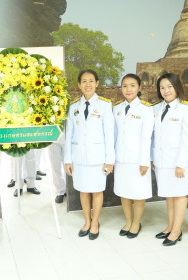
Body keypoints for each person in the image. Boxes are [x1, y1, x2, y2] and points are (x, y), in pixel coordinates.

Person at [64, 69, 114, 240]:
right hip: (78, 159)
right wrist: (67, 160)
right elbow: (69, 135)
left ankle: (95, 223)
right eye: (84, 81)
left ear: (97, 83)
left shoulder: (105, 106)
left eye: (91, 81)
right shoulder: (73, 107)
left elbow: (110, 135)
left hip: (98, 159)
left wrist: (110, 161)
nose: (88, 85)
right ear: (79, 85)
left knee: (97, 191)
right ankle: (87, 221)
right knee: (83, 191)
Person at [152, 73, 188, 246]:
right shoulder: (156, 109)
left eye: (169, 87)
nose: (166, 91)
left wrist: (181, 163)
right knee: (169, 195)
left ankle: (177, 230)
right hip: (161, 161)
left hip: (178, 162)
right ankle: (170, 225)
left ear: (177, 87)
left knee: (179, 195)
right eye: (162, 87)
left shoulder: (187, 109)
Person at [113, 74, 154, 238]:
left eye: (132, 85)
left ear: (139, 88)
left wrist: (144, 161)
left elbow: (147, 137)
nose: (128, 89)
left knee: (138, 193)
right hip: (121, 159)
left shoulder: (146, 109)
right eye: (124, 86)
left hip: (138, 159)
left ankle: (136, 222)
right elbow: (115, 135)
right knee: (124, 191)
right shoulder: (116, 108)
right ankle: (128, 221)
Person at [48, 131, 66, 203]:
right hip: (53, 136)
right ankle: (60, 191)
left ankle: (70, 189)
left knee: (69, 165)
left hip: (68, 136)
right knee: (55, 166)